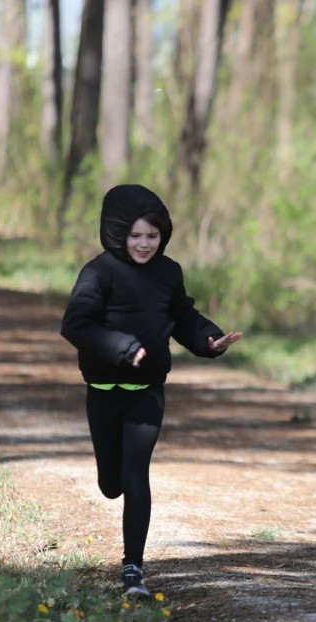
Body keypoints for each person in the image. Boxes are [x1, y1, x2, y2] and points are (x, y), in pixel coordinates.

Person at [61, 184, 242, 599]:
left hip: (147, 391)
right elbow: (76, 326)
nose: (145, 244)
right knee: (111, 483)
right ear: (117, 232)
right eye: (137, 235)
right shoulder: (98, 272)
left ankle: (132, 570)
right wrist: (122, 349)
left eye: (153, 236)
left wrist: (208, 340)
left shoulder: (168, 272)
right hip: (105, 389)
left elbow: (182, 317)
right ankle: (111, 483)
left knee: (136, 472)